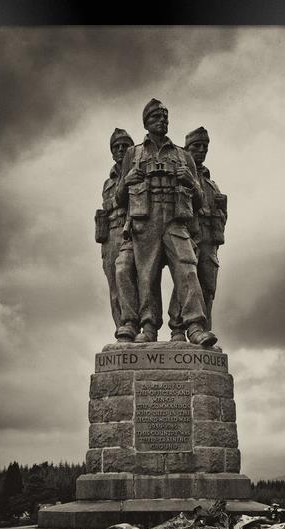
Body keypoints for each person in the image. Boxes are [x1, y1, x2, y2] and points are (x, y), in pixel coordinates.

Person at [115, 99, 217, 346]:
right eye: (156, 118)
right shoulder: (133, 154)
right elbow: (120, 200)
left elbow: (200, 200)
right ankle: (148, 327)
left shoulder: (183, 156)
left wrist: (191, 183)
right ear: (146, 123)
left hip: (175, 221)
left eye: (165, 118)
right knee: (146, 276)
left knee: (187, 269)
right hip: (145, 221)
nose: (162, 122)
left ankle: (194, 326)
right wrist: (127, 180)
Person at [168, 127, 227, 340]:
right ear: (187, 149)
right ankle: (177, 328)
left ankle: (203, 328)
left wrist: (222, 209)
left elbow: (221, 216)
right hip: (189, 234)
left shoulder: (212, 184)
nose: (201, 151)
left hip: (209, 240)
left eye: (205, 147)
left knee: (208, 285)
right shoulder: (180, 174)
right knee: (185, 280)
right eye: (196, 146)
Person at [95, 128, 139, 341]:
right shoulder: (108, 182)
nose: (121, 150)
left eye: (125, 145)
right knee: (114, 285)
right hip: (111, 234)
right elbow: (109, 205)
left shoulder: (138, 172)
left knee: (135, 280)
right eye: (116, 146)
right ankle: (123, 329)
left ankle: (138, 326)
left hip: (134, 231)